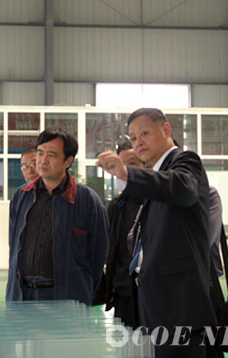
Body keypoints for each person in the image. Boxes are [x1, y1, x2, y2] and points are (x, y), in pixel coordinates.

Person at [97, 108, 216, 358]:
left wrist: (127, 173)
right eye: (133, 138)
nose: (138, 142)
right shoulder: (157, 177)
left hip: (178, 305)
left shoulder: (185, 162)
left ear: (166, 130)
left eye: (144, 133)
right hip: (154, 302)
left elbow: (182, 189)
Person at [6, 127, 109, 306]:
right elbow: (14, 244)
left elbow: (98, 256)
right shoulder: (22, 196)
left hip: (66, 299)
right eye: (40, 153)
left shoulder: (87, 200)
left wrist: (82, 292)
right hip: (22, 296)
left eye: (52, 155)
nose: (43, 160)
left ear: (68, 161)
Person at [93, 139, 144, 328]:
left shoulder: (159, 203)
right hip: (124, 294)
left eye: (131, 164)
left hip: (155, 294)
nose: (123, 171)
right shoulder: (117, 206)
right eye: (118, 166)